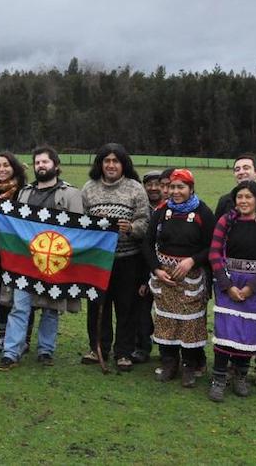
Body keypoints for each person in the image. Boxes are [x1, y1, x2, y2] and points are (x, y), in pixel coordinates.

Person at [0, 146, 85, 370]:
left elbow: (78, 228)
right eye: (37, 163)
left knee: (51, 308)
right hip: (26, 261)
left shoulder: (71, 194)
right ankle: (11, 352)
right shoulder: (25, 192)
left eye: (45, 162)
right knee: (20, 306)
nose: (41, 166)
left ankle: (46, 350)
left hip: (54, 261)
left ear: (56, 165)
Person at [207, 181, 256, 401]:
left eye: (248, 197)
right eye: (240, 197)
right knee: (225, 332)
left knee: (248, 334)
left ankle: (240, 375)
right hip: (228, 283)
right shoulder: (225, 221)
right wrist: (227, 286)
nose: (244, 201)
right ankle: (219, 378)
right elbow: (214, 253)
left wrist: (251, 288)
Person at [81, 143, 150, 371]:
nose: (111, 165)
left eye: (116, 161)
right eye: (107, 161)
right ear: (100, 164)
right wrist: (93, 223)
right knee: (97, 305)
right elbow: (79, 223)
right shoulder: (89, 189)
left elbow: (145, 221)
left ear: (123, 164)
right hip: (98, 260)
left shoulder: (135, 188)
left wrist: (130, 227)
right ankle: (98, 347)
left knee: (126, 307)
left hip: (127, 258)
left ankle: (123, 352)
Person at [143, 169, 214, 387]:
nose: (175, 191)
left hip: (190, 277)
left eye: (180, 187)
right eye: (172, 187)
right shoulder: (162, 211)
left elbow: (212, 245)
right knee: (166, 320)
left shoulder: (203, 212)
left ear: (191, 188)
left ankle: (189, 366)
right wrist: (157, 270)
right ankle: (169, 363)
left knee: (190, 323)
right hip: (165, 277)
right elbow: (147, 243)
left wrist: (192, 260)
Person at [0, 152, 28, 351]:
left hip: (20, 252)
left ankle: (23, 337)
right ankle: (3, 335)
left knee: (22, 295)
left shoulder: (24, 192)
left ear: (14, 167)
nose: (1, 169)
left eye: (6, 165)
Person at [131, 169, 163, 363]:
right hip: (142, 265)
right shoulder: (140, 209)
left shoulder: (171, 207)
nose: (152, 188)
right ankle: (142, 346)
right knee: (141, 309)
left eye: (157, 183)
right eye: (148, 184)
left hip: (169, 266)